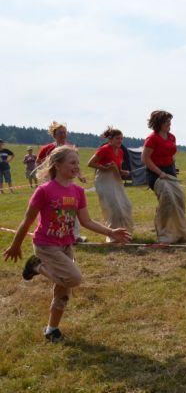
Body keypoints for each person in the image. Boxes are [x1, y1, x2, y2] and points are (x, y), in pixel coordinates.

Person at [2, 146, 131, 342]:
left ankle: (51, 329)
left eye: (78, 163)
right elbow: (27, 221)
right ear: (57, 165)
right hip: (46, 245)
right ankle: (37, 266)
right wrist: (15, 245)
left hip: (66, 245)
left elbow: (87, 221)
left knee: (63, 291)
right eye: (72, 162)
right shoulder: (44, 191)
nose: (76, 166)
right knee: (73, 278)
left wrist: (111, 231)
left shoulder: (78, 191)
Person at [142, 110, 186, 244]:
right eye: (167, 121)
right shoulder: (152, 139)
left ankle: (180, 233)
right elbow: (145, 159)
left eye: (170, 121)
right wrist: (160, 172)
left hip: (170, 172)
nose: (169, 124)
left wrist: (172, 167)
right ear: (159, 123)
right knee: (168, 200)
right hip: (156, 174)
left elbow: (171, 154)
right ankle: (165, 235)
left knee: (179, 199)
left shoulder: (171, 137)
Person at [87, 127, 134, 239]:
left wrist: (123, 172)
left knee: (126, 206)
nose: (120, 141)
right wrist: (104, 168)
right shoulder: (104, 149)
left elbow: (118, 168)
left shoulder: (121, 151)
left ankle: (125, 234)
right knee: (114, 208)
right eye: (117, 138)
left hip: (115, 179)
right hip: (104, 180)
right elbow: (90, 163)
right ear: (110, 139)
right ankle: (114, 236)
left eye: (121, 138)